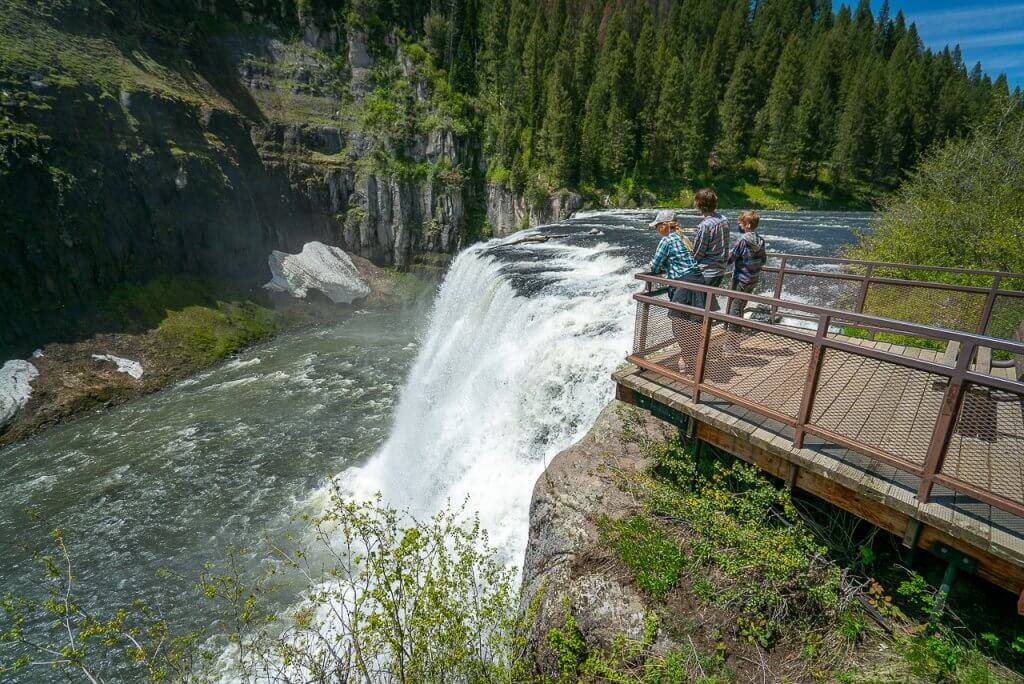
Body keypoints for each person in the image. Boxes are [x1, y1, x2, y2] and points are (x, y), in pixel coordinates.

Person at [647, 209, 702, 373]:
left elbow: (655, 266)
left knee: (678, 325)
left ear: (665, 226)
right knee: (693, 325)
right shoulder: (682, 238)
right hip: (698, 282)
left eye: (658, 226)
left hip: (684, 284)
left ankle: (686, 359)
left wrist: (656, 267)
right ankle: (691, 360)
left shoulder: (667, 240)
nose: (657, 230)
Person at [725, 210, 766, 339]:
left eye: (741, 223)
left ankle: (732, 341)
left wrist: (719, 262)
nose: (739, 225)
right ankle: (736, 335)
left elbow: (731, 258)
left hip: (741, 279)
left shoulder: (743, 241)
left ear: (747, 225)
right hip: (753, 278)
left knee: (735, 308)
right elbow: (763, 260)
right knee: (742, 305)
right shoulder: (760, 240)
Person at [689, 188, 730, 311]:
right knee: (707, 301)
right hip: (720, 270)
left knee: (698, 306)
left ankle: (700, 329)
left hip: (707, 271)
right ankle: (709, 324)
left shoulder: (705, 225)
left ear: (699, 205)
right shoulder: (724, 219)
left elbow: (697, 254)